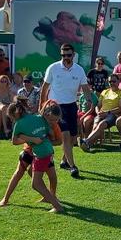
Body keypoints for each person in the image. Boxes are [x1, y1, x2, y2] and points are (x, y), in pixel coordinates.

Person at [40, 43, 93, 178]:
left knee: (73, 137)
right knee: (65, 135)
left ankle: (64, 160)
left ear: (74, 55)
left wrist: (88, 99)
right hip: (56, 107)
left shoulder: (79, 70)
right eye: (63, 55)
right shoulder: (53, 68)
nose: (65, 58)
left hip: (71, 105)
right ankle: (73, 166)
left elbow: (85, 87)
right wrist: (42, 106)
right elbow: (44, 88)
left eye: (68, 55)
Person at [0, 101, 62, 208]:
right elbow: (16, 141)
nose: (53, 121)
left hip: (42, 152)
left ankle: (52, 198)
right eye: (52, 119)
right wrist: (31, 139)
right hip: (30, 150)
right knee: (19, 172)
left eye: (56, 120)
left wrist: (44, 139)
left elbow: (58, 140)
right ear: (46, 114)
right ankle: (5, 198)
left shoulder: (50, 123)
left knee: (51, 176)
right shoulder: (38, 118)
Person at [80, 74, 121, 151]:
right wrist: (98, 112)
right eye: (110, 81)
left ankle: (86, 141)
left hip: (113, 114)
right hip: (101, 114)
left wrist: (107, 112)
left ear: (118, 82)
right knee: (95, 126)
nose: (112, 83)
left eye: (114, 81)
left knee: (101, 125)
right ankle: (88, 144)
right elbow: (98, 105)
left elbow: (120, 108)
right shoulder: (105, 92)